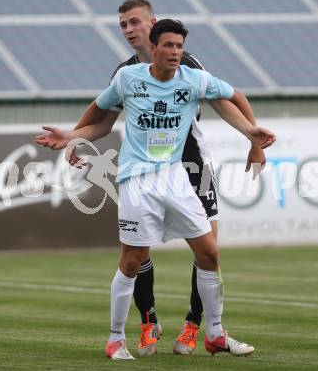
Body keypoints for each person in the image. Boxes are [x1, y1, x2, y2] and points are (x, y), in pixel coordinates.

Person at [35, 19, 276, 360]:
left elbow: (227, 99)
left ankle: (215, 333)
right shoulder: (128, 79)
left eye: (179, 46)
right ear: (153, 48)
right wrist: (72, 136)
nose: (176, 52)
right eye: (169, 46)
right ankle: (116, 339)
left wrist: (250, 133)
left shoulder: (194, 78)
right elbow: (102, 119)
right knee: (132, 261)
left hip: (176, 178)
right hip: (137, 181)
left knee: (209, 253)